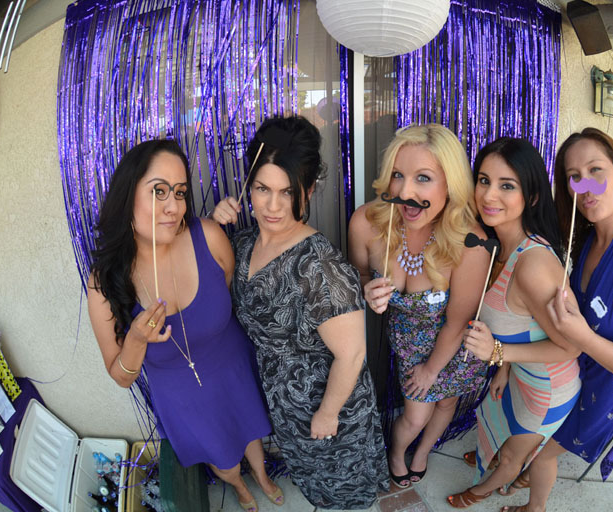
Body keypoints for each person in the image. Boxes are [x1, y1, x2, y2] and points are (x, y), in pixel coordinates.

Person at [87, 139, 282, 512]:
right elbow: (121, 376)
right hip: (182, 395)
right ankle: (239, 487)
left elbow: (226, 291)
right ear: (128, 196)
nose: (173, 206)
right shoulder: (104, 283)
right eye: (158, 191)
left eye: (179, 192)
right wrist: (137, 339)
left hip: (232, 367)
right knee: (221, 456)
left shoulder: (207, 236)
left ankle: (261, 475)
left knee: (251, 434)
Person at [499, 128, 613, 512]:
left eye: (595, 170)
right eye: (573, 176)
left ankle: (534, 505)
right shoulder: (585, 241)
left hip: (607, 391)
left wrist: (583, 337)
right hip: (570, 371)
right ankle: (523, 472)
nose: (585, 186)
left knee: (545, 451)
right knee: (537, 437)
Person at [211, 115, 389, 509]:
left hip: (330, 408)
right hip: (285, 402)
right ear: (248, 186)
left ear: (307, 191)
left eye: (287, 192)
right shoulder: (243, 243)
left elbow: (352, 353)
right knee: (311, 477)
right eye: (262, 189)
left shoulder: (319, 265)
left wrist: (328, 413)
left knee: (341, 488)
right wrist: (211, 228)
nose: (273, 206)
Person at [348, 124, 490, 489]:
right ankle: (397, 453)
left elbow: (457, 322)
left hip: (455, 345)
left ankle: (423, 452)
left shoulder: (469, 242)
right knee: (414, 417)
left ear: (450, 184)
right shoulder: (367, 224)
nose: (404, 192)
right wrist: (367, 290)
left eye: (423, 178)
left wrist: (431, 371)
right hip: (410, 346)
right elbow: (359, 275)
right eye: (398, 175)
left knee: (446, 404)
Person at [446, 137, 581, 508]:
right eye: (484, 180)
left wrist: (497, 352)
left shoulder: (533, 265)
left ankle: (479, 492)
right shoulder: (497, 244)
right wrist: (504, 367)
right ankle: (489, 456)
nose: (489, 195)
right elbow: (522, 322)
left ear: (532, 197)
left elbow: (572, 345)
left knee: (511, 457)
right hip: (519, 373)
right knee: (495, 420)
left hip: (549, 389)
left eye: (507, 186)